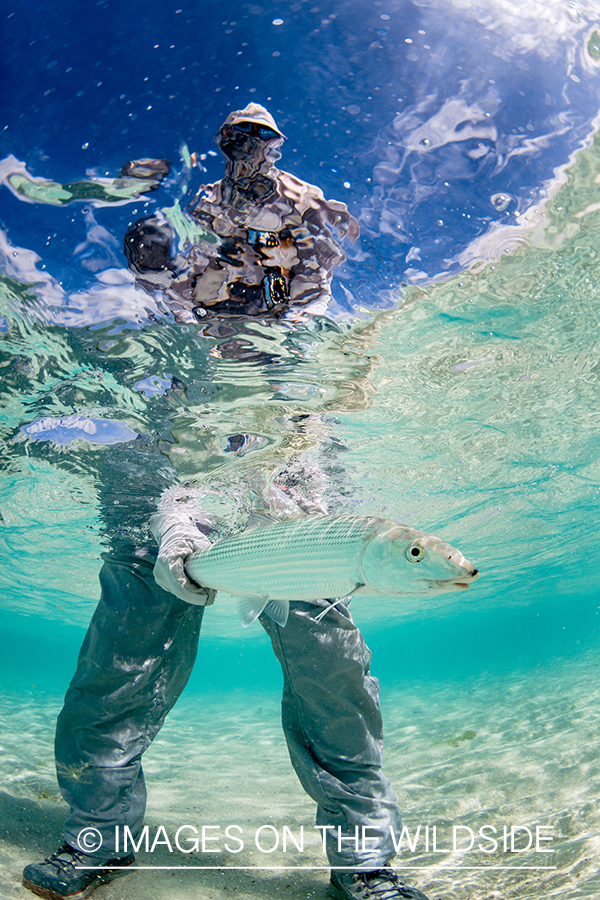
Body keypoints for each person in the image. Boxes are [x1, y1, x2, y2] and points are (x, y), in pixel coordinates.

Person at [21, 104, 431, 900]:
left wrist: (255, 291)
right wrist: (152, 272)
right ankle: (99, 835)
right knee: (119, 661)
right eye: (234, 137)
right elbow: (186, 301)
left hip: (283, 429)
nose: (246, 149)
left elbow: (307, 288)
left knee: (332, 674)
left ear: (278, 143)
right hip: (182, 414)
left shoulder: (309, 204)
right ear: (222, 145)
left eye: (259, 136)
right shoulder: (200, 207)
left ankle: (366, 863)